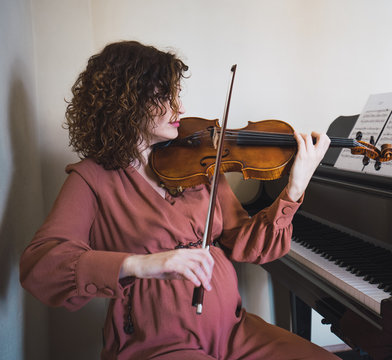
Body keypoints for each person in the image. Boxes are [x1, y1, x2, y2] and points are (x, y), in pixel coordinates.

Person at [19, 41, 338, 360]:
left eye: (176, 94)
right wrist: (140, 264)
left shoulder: (201, 164)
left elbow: (250, 246)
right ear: (125, 103)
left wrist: (293, 190)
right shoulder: (93, 178)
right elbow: (41, 264)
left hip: (233, 332)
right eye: (164, 96)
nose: (180, 108)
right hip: (157, 341)